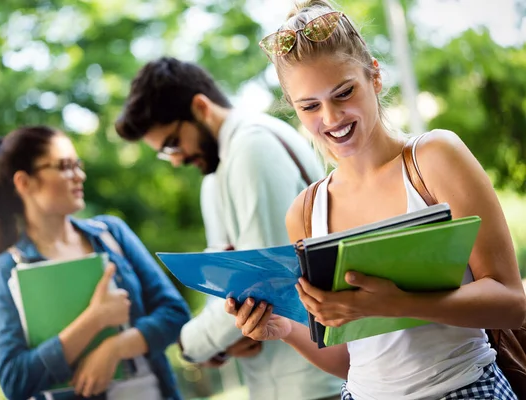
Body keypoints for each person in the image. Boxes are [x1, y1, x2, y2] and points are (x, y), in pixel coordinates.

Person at [225, 1, 526, 399]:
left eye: (344, 93)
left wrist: (398, 302)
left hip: (466, 387)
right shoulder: (305, 212)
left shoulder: (433, 159)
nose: (331, 118)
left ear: (375, 77)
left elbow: (511, 301)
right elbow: (351, 360)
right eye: (310, 106)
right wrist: (285, 331)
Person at [115, 57, 343, 399]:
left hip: (312, 379)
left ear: (200, 107)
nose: (176, 159)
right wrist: (226, 341)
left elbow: (263, 280)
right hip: (281, 380)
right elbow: (224, 283)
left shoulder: (253, 148)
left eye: (173, 143)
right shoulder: (220, 169)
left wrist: (189, 344)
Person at [0, 126, 190, 400]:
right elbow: (14, 381)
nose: (80, 175)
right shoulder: (7, 269)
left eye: (78, 164)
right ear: (24, 183)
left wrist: (115, 347)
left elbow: (175, 313)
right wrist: (95, 319)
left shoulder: (111, 234)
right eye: (65, 166)